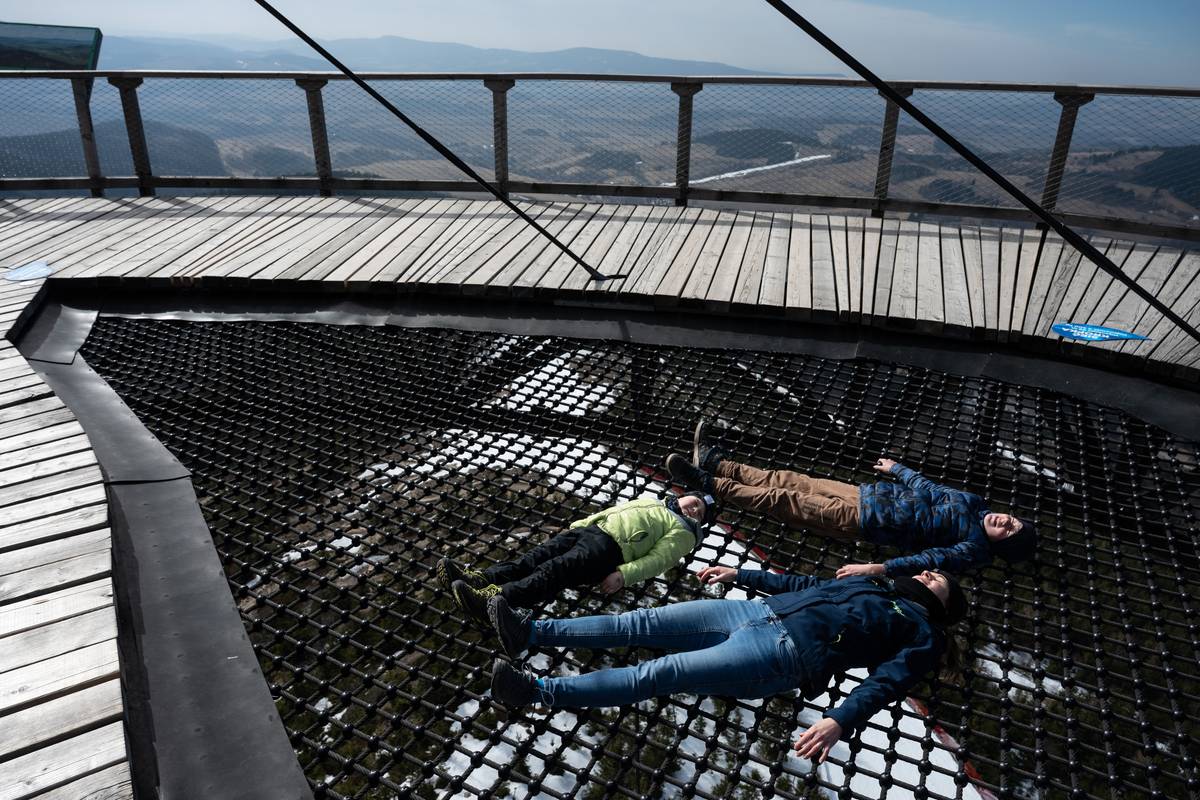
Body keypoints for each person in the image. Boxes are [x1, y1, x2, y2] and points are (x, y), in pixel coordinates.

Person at [486, 564, 967, 763]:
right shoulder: (875, 582)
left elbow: (888, 682)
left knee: (660, 673)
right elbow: (803, 585)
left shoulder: (925, 634)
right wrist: (742, 573)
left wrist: (840, 719)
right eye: (930, 571)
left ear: (944, 605)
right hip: (752, 611)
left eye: (938, 580)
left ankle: (535, 691)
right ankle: (529, 632)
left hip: (780, 655)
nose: (928, 574)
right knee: (639, 622)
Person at [665, 425, 1036, 576]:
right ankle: (717, 463)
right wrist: (898, 468)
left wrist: (877, 568)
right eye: (1013, 520)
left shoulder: (972, 548)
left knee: (782, 499)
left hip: (863, 520)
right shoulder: (973, 503)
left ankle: (708, 483)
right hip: (866, 493)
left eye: (1010, 531)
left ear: (1001, 544)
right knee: (788, 479)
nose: (1006, 521)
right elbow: (932, 488)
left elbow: (928, 560)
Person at [439, 492, 714, 622]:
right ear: (684, 496)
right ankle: (479, 579)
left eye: (700, 513)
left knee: (553, 571)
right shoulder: (655, 502)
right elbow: (614, 510)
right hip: (590, 531)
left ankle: (493, 599)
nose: (694, 510)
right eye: (695, 503)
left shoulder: (684, 533)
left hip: (610, 550)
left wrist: (624, 575)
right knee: (533, 558)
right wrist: (581, 525)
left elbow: (658, 560)